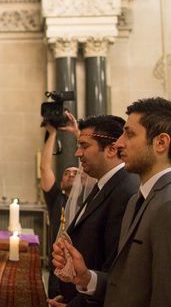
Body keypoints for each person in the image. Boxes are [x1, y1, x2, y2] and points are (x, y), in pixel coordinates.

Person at [52, 97, 171, 307]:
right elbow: (129, 286)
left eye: (129, 134)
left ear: (161, 143)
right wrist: (86, 277)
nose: (119, 143)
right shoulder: (139, 200)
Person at [49, 114, 139, 307]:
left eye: (84, 146)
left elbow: (114, 271)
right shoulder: (104, 184)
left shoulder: (125, 192)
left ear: (111, 149)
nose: (77, 153)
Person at [41, 122, 78, 298]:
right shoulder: (56, 198)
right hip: (56, 264)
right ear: (62, 182)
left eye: (75, 173)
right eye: (66, 173)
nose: (71, 174)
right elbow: (45, 168)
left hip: (79, 266)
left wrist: (78, 134)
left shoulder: (89, 199)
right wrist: (52, 133)